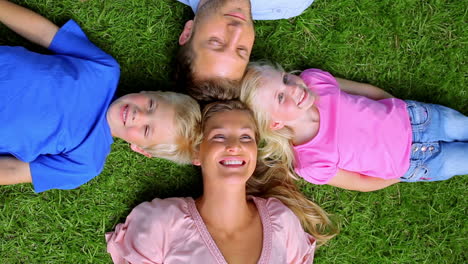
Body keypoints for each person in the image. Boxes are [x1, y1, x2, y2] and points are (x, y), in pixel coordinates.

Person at [0, 0, 201, 192]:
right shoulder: (104, 70)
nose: (137, 115)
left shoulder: (86, 163)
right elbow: (44, 33)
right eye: (150, 105)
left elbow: (13, 170)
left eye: (147, 130)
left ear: (140, 149)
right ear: (150, 92)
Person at [106, 100, 337, 263]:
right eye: (219, 136)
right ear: (197, 153)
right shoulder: (160, 223)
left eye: (246, 137)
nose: (235, 146)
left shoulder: (283, 222)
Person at [240, 61, 468, 192]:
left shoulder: (315, 82)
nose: (292, 88)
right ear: (275, 123)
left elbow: (366, 91)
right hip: (417, 162)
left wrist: (395, 109)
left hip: (417, 118)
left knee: (462, 125)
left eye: (286, 79)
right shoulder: (311, 161)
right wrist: (400, 172)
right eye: (280, 97)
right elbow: (360, 183)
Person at [175, 0, 315, 101]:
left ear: (188, 33)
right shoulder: (291, 4)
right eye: (241, 50)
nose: (237, 29)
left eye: (216, 42)